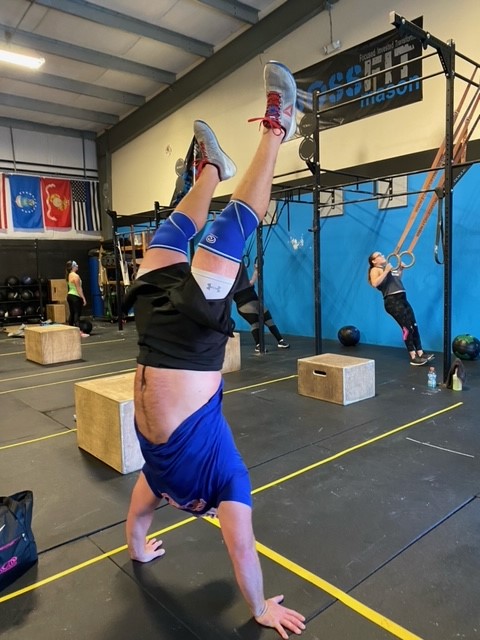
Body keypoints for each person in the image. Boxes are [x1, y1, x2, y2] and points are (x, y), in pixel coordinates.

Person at [124, 61, 306, 639]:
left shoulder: (161, 480)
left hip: (154, 339)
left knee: (164, 243)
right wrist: (259, 608)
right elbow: (242, 548)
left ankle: (211, 170)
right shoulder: (228, 481)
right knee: (226, 235)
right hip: (193, 349)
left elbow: (139, 512)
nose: (177, 508)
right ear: (202, 508)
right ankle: (279, 125)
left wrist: (137, 547)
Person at [368, 251, 433, 365]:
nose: (382, 256)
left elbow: (396, 279)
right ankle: (413, 356)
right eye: (379, 255)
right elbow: (374, 283)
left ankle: (421, 353)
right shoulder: (375, 269)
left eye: (382, 254)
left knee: (414, 325)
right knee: (407, 328)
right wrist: (386, 271)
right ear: (374, 261)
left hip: (403, 299)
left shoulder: (387, 269)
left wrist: (401, 269)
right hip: (392, 301)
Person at [234, 261, 290, 352]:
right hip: (244, 306)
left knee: (269, 319)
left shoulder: (246, 282)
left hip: (256, 303)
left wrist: (257, 270)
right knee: (255, 322)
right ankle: (258, 345)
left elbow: (252, 281)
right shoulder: (231, 284)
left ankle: (280, 341)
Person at [65, 260, 89, 337]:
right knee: (76, 314)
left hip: (70, 296)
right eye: (76, 265)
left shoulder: (69, 275)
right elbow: (79, 288)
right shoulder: (76, 276)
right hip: (75, 296)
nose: (77, 266)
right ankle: (79, 332)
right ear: (72, 267)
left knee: (72, 314)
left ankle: (70, 331)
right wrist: (83, 298)